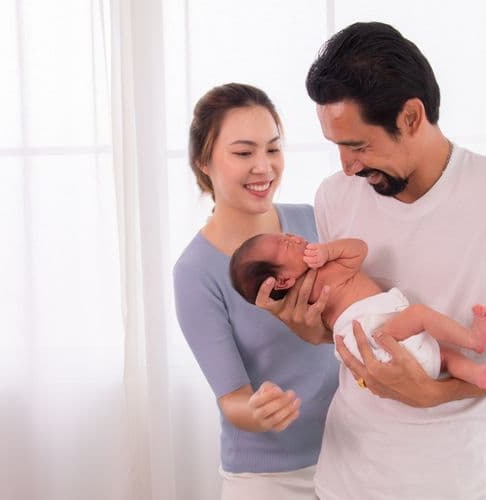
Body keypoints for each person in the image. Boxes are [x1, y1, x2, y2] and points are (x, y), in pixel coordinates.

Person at [254, 22, 486, 499]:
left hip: (460, 484)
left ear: (410, 117)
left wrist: (440, 393)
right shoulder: (335, 198)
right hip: (346, 481)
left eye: (358, 146)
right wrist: (313, 331)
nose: (346, 166)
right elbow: (358, 317)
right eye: (337, 147)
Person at [172, 83, 338, 500]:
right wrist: (260, 413)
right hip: (269, 480)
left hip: (352, 457)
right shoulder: (195, 271)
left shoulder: (316, 222)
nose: (264, 167)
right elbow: (233, 400)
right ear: (203, 162)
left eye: (273, 149)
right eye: (244, 153)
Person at [230, 233, 486, 388]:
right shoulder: (324, 271)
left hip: (371, 354)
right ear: (283, 280)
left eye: (285, 234)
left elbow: (321, 332)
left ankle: (478, 375)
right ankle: (472, 340)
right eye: (286, 244)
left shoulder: (306, 304)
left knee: (441, 357)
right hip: (374, 336)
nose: (293, 236)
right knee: (421, 317)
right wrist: (328, 251)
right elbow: (358, 250)